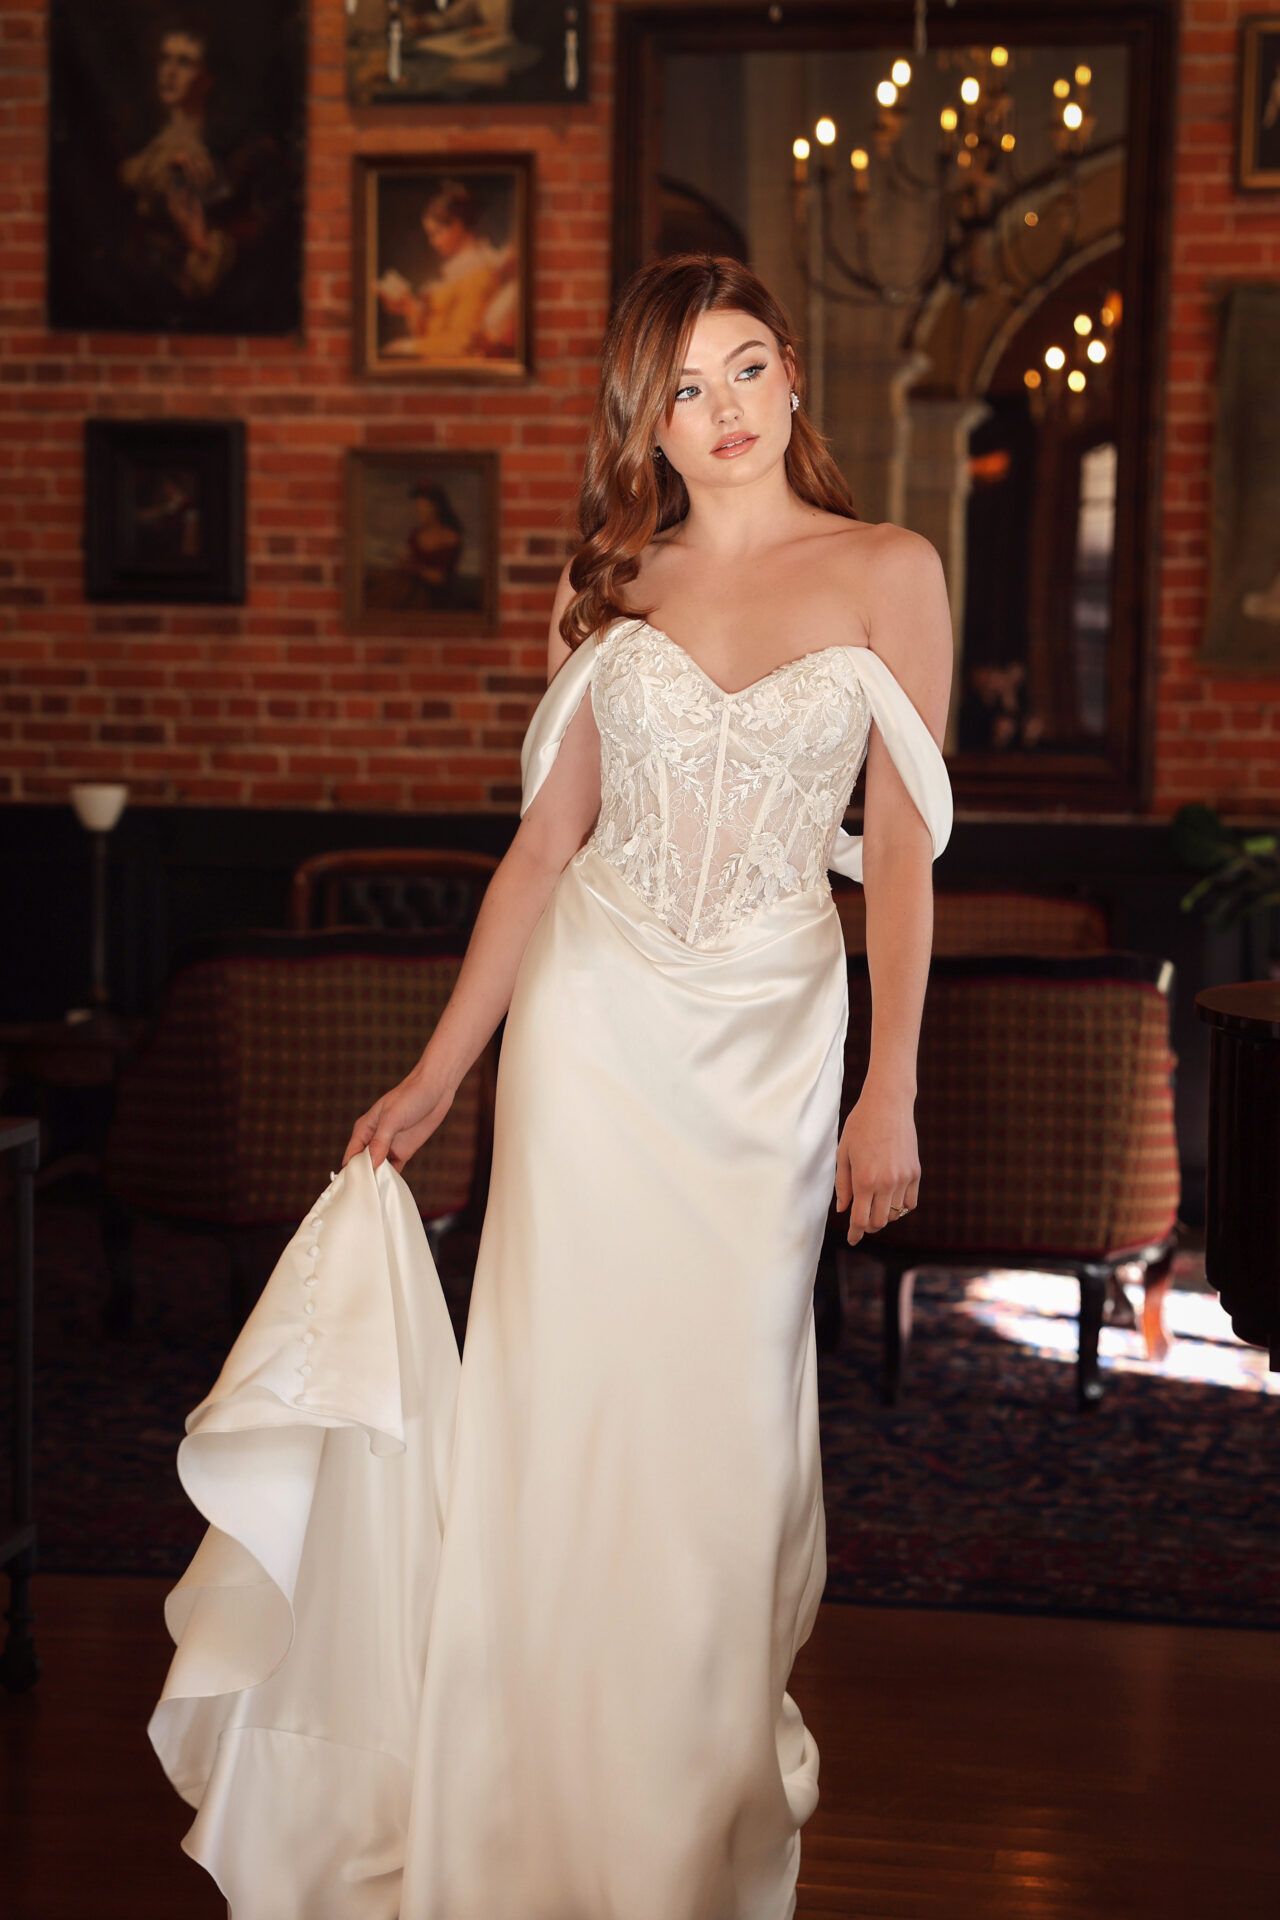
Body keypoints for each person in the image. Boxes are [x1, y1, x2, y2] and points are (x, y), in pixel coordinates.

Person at [146, 251, 954, 1918]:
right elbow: (539, 853)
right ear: (644, 420)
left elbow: (906, 855)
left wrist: (895, 1089)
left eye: (742, 370)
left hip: (769, 1049)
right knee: (559, 1412)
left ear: (793, 378)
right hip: (592, 1038)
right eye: (681, 387)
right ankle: (516, 1807)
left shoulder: (890, 569)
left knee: (721, 1433)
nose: (718, 412)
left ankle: (679, 1809)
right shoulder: (616, 581)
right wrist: (445, 1070)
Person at [378, 179, 518, 361]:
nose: (433, 242)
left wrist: (407, 346)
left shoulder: (480, 273)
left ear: (458, 226)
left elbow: (462, 342)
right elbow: (434, 335)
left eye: (437, 233)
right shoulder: (453, 274)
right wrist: (410, 309)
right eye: (430, 235)